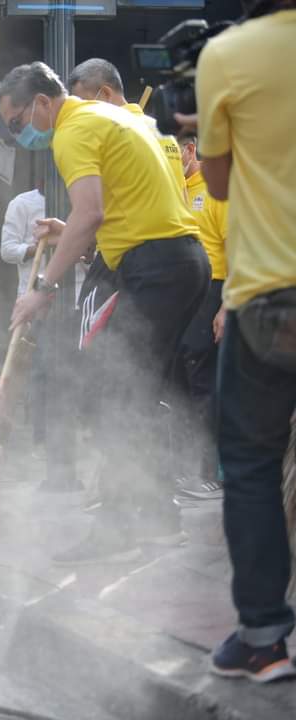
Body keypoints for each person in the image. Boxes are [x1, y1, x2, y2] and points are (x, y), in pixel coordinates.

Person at [0, 62, 208, 565]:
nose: (19, 132)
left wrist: (41, 289)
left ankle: (119, 526)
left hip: (156, 267)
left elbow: (92, 215)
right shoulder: (115, 120)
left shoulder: (72, 131)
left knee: (114, 389)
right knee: (138, 391)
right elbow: (119, 212)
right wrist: (66, 232)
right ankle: (155, 520)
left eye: (18, 120)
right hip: (178, 261)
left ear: (44, 102)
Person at [194, 2, 296, 682]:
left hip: (270, 294)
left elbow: (220, 181)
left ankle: (262, 638)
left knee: (254, 466)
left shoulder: (228, 54)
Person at [173, 132, 228, 502]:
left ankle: (208, 473)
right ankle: (183, 467)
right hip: (183, 291)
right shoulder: (174, 186)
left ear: (190, 149)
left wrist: (226, 306)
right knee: (178, 374)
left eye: (173, 152)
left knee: (200, 377)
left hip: (215, 288)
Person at [67, 59, 185, 191]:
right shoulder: (165, 134)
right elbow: (183, 196)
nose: (83, 114)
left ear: (106, 94)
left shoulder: (110, 138)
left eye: (85, 104)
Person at [2, 184, 49, 456]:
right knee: (37, 368)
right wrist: (36, 248)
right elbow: (7, 250)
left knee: (68, 371)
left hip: (75, 299)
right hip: (31, 298)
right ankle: (40, 438)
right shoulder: (22, 203)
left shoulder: (84, 196)